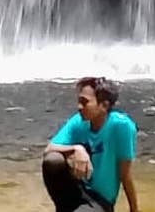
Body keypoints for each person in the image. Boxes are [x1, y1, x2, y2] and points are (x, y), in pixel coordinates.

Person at [42, 76, 139, 212]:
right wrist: (76, 149)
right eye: (79, 101)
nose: (79, 107)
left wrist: (134, 209)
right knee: (52, 160)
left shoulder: (121, 126)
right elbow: (49, 149)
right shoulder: (78, 121)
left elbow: (125, 174)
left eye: (85, 102)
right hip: (76, 190)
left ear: (104, 105)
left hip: (100, 200)